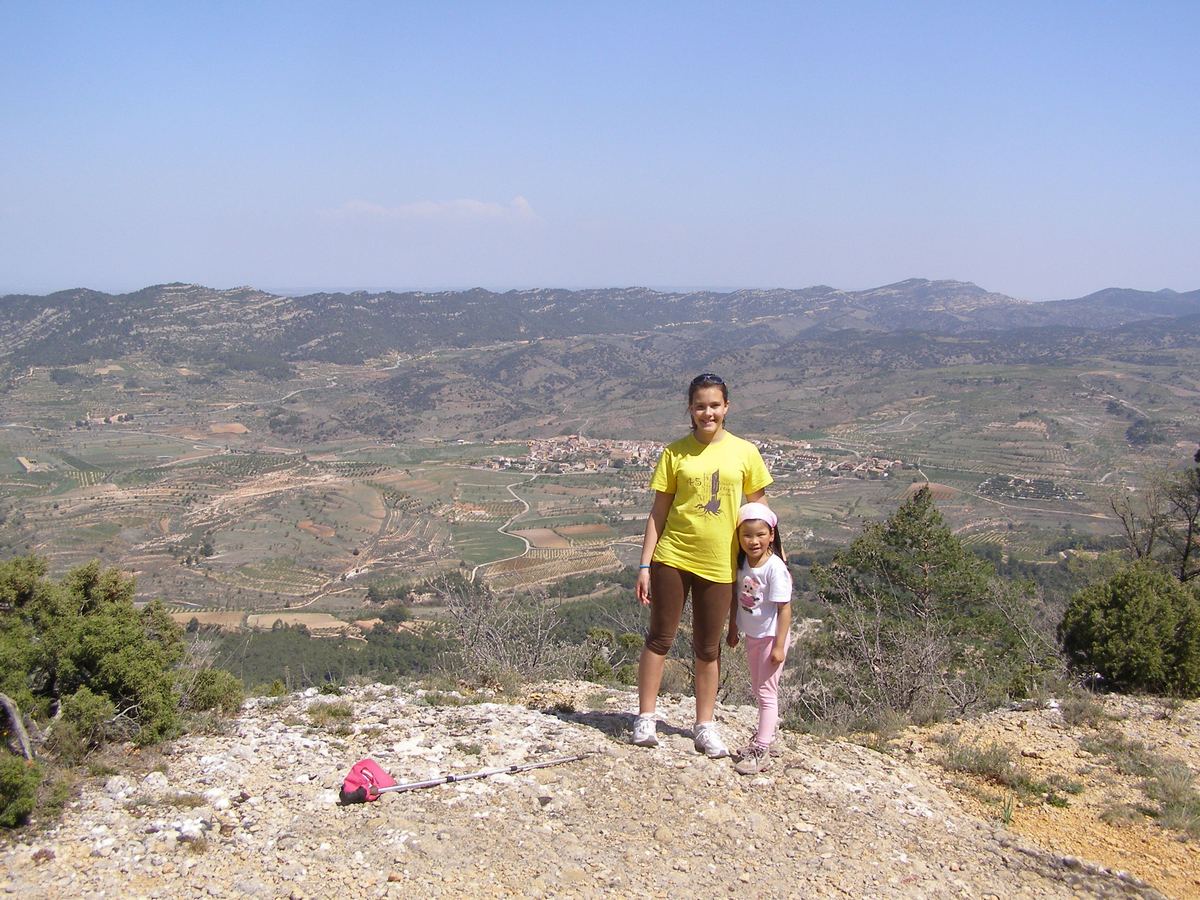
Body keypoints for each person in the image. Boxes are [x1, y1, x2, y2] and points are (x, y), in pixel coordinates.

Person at [632, 373, 773, 757]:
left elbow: (759, 512)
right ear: (690, 409)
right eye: (700, 406)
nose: (707, 412)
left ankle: (705, 726)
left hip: (720, 563)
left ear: (726, 407)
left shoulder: (745, 452)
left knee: (709, 648)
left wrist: (767, 562)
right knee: (660, 638)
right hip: (673, 557)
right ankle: (645, 717)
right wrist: (644, 565)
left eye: (714, 405)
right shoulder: (674, 453)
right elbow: (658, 513)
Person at [725, 501, 792, 775]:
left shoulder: (774, 568)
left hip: (771, 637)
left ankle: (761, 748)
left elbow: (784, 609)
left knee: (766, 692)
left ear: (771, 535)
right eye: (747, 535)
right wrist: (733, 629)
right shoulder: (742, 565)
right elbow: (736, 599)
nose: (754, 541)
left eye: (760, 534)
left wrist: (779, 646)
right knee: (758, 688)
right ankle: (767, 736)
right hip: (754, 636)